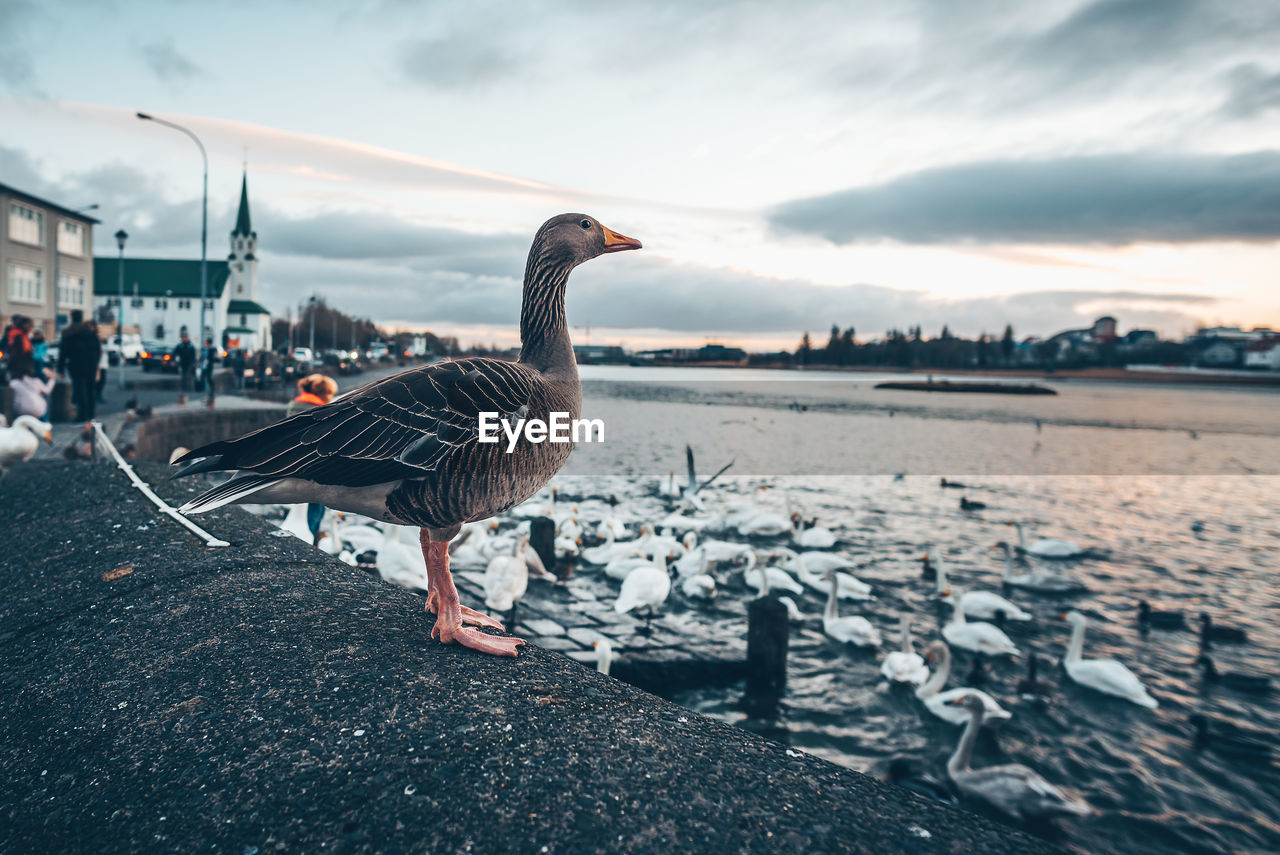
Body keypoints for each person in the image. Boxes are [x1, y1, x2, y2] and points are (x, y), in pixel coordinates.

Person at [287, 374, 339, 543]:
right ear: (325, 393)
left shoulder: (294, 405)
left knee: (298, 507)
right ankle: (311, 540)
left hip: (292, 464)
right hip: (315, 467)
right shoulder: (321, 411)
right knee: (315, 508)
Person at [57, 309, 101, 421]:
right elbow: (98, 349)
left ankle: (82, 415)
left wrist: (60, 369)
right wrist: (96, 364)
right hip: (91, 365)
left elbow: (63, 352)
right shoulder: (90, 333)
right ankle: (91, 415)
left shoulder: (68, 333)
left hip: (75, 365)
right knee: (91, 389)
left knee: (79, 390)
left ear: (71, 318)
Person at [4, 315, 34, 380]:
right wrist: (27, 370)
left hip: (22, 369)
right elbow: (18, 354)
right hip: (20, 371)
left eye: (31, 325)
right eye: (29, 325)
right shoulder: (18, 336)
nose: (30, 327)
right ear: (23, 325)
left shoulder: (23, 336)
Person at [200, 337, 219, 402]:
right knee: (202, 377)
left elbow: (214, 358)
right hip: (204, 366)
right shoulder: (204, 349)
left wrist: (209, 361)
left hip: (209, 366)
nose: (205, 343)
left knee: (209, 378)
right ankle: (204, 391)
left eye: (206, 342)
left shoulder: (212, 349)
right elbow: (202, 357)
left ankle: (212, 391)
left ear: (208, 343)